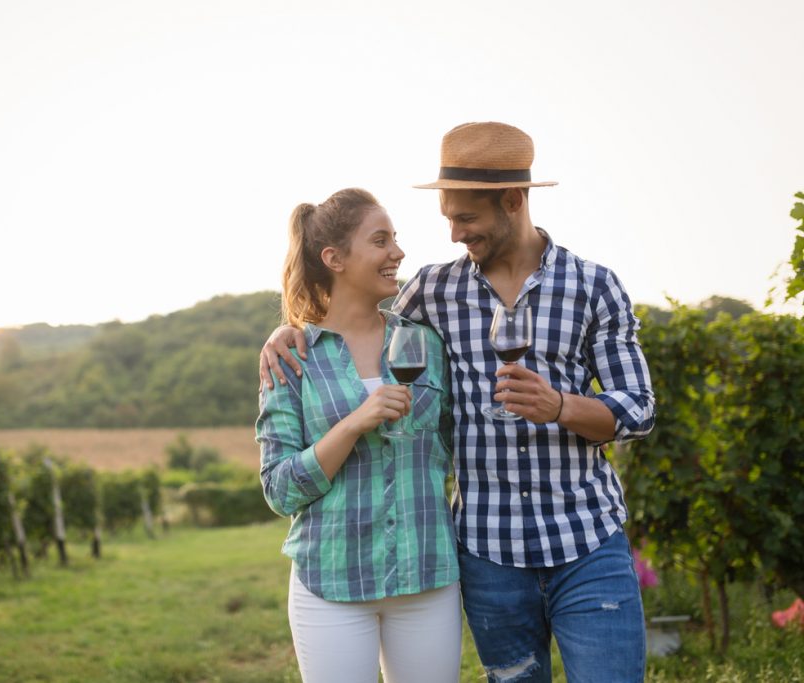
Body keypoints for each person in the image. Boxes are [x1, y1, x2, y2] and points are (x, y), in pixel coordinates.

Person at [260, 123, 656, 683]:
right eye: (447, 217)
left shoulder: (594, 287)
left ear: (513, 200)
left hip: (587, 541)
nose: (452, 234)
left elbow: (638, 408)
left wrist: (562, 406)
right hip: (489, 555)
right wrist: (289, 331)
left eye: (465, 218)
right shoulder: (433, 292)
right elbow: (354, 323)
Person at [257, 188, 462, 683]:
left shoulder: (425, 343)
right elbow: (280, 490)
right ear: (335, 259)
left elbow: (459, 446)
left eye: (395, 239)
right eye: (380, 241)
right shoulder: (293, 357)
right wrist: (352, 425)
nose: (398, 252)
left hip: (427, 578)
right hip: (331, 583)